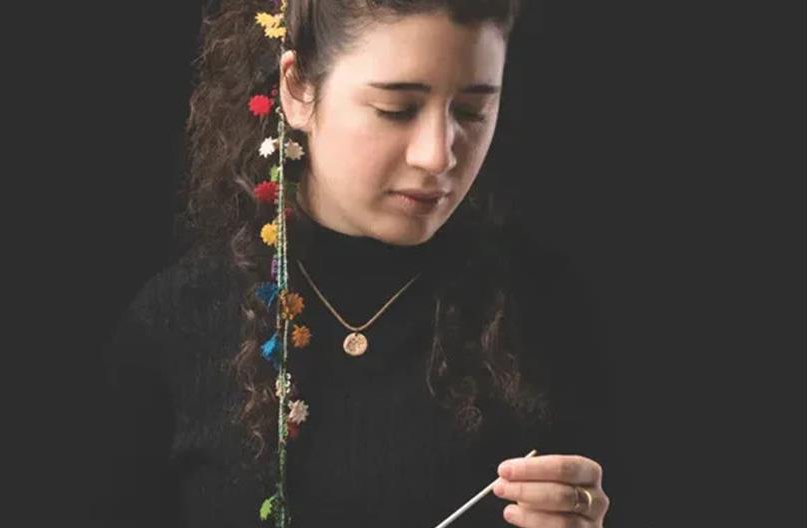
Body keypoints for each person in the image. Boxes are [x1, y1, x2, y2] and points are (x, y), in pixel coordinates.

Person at [96, 1, 614, 527]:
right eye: (397, 109)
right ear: (298, 90)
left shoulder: (547, 314)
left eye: (471, 112)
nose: (438, 156)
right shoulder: (173, 324)